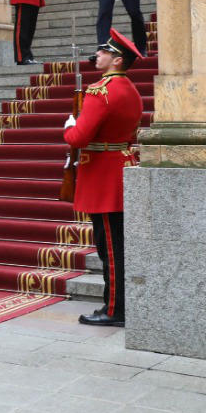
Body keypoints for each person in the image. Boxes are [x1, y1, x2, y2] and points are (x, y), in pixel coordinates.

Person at [62, 28, 144, 327]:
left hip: (103, 175)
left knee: (109, 247)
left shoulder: (101, 91)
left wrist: (69, 126)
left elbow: (80, 137)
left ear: (117, 61)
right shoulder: (131, 90)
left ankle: (114, 310)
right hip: (121, 164)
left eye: (104, 52)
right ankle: (120, 305)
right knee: (118, 245)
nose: (97, 55)